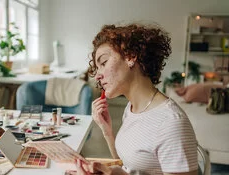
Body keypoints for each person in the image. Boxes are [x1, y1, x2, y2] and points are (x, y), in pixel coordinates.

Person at [75, 23, 198, 175]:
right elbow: (127, 167)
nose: (98, 76)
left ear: (131, 56)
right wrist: (107, 132)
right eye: (97, 68)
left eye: (104, 62)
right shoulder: (132, 108)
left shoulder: (170, 123)